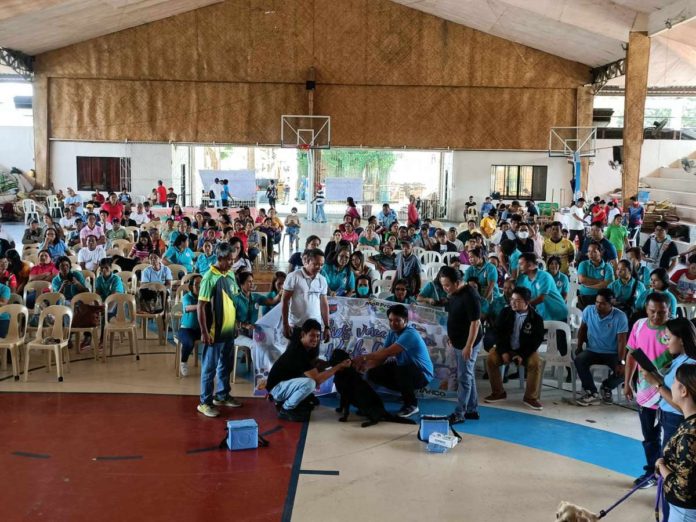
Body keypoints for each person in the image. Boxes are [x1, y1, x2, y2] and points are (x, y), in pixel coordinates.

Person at [641, 317, 696, 520]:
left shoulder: (689, 366)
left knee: (674, 472)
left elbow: (682, 404)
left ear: (681, 339)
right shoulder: (679, 359)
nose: (666, 339)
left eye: (669, 336)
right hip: (668, 418)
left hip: (675, 419)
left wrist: (657, 384)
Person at [624, 292, 674, 488]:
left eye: (662, 312)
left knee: (671, 437)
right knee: (649, 436)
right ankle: (651, 473)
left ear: (669, 311)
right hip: (645, 392)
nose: (656, 316)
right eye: (653, 311)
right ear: (646, 309)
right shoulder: (638, 326)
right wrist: (627, 382)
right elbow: (631, 356)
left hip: (669, 394)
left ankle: (670, 477)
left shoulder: (673, 330)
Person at [353, 304, 433, 418]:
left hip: (423, 374)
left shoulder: (410, 334)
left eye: (397, 321)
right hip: (406, 369)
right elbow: (382, 357)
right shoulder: (392, 333)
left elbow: (387, 352)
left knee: (403, 369)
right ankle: (405, 392)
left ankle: (411, 405)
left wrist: (363, 358)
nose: (392, 324)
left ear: (405, 320)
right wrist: (367, 368)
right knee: (374, 373)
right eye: (390, 320)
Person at [267, 319, 350, 422]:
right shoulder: (298, 352)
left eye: (318, 336)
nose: (315, 339)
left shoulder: (306, 347)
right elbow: (317, 379)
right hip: (276, 389)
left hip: (284, 384)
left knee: (311, 396)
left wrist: (332, 364)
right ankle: (286, 409)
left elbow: (315, 365)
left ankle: (289, 402)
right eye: (312, 335)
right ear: (303, 334)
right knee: (310, 383)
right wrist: (337, 367)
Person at [195, 242, 242, 417]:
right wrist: (205, 332)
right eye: (229, 260)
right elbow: (201, 306)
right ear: (220, 258)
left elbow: (233, 300)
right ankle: (205, 402)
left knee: (226, 365)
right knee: (209, 368)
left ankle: (222, 395)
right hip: (214, 332)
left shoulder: (230, 274)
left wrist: (236, 322)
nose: (232, 262)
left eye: (233, 259)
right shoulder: (209, 277)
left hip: (229, 330)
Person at [434, 267, 484, 422]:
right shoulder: (454, 293)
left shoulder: (470, 295)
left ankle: (459, 413)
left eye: (447, 285)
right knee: (467, 375)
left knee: (464, 377)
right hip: (458, 340)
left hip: (468, 341)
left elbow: (475, 323)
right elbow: (455, 315)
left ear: (457, 282)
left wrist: (468, 346)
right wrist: (451, 335)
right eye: (443, 285)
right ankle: (472, 409)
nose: (445, 288)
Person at [484, 286, 546, 410]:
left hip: (525, 351)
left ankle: (530, 397)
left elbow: (536, 341)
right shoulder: (505, 312)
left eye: (517, 300)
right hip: (506, 348)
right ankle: (498, 392)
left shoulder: (536, 319)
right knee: (491, 358)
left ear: (527, 302)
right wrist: (503, 351)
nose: (513, 302)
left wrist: (522, 355)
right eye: (512, 299)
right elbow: (498, 333)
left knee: (536, 362)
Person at [574, 289, 629, 406]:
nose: (599, 305)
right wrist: (579, 346)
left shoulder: (620, 316)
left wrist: (621, 361)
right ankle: (592, 392)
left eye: (603, 303)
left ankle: (606, 387)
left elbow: (622, 340)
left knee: (626, 370)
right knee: (579, 360)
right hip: (592, 350)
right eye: (597, 302)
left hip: (612, 353)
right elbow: (582, 329)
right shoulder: (589, 310)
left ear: (611, 303)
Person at [655, 364, 696, 520]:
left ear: (684, 391)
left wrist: (661, 467)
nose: (670, 385)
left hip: (686, 512)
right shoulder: (689, 422)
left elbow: (683, 488)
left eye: (674, 381)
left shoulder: (689, 436)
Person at [281, 248, 330, 342]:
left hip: (315, 327)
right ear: (307, 261)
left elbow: (324, 304)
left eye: (321, 265)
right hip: (297, 326)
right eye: (316, 264)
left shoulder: (322, 280)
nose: (319, 267)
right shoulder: (293, 276)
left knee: (312, 355)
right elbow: (285, 300)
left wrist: (327, 326)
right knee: (296, 354)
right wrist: (285, 324)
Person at [516, 252, 567, 321]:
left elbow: (541, 298)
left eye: (521, 264)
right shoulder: (525, 280)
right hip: (542, 315)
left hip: (557, 314)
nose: (519, 267)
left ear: (530, 264)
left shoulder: (544, 276)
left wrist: (523, 306)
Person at [577, 241, 615, 309]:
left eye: (594, 252)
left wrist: (588, 285)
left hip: (602, 300)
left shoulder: (607, 267)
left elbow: (607, 284)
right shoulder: (583, 264)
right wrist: (601, 281)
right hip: (584, 297)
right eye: (589, 251)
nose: (590, 254)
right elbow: (582, 279)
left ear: (601, 252)